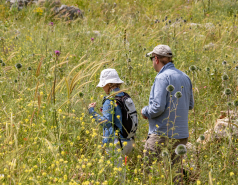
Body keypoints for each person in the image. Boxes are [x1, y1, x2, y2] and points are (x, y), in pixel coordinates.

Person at [141, 44, 194, 166]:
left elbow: (158, 107)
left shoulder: (162, 77)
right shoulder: (185, 77)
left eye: (152, 59)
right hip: (181, 135)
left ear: (156, 59)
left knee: (150, 172)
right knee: (175, 174)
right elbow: (190, 105)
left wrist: (145, 111)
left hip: (162, 134)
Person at [88, 68, 135, 158]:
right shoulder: (125, 96)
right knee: (124, 171)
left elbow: (106, 123)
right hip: (129, 141)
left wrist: (92, 112)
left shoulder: (109, 100)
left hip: (116, 144)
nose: (102, 87)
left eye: (103, 84)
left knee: (118, 172)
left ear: (109, 84)